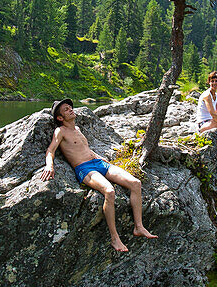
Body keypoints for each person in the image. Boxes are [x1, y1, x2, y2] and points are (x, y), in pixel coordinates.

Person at [40, 98, 157, 252]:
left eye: (70, 107)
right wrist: (49, 165)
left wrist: (97, 156)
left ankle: (139, 227)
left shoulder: (78, 130)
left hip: (99, 164)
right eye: (66, 110)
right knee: (109, 192)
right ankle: (115, 238)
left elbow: (84, 148)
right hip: (85, 169)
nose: (71, 110)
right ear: (60, 118)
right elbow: (50, 150)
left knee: (135, 183)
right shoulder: (60, 131)